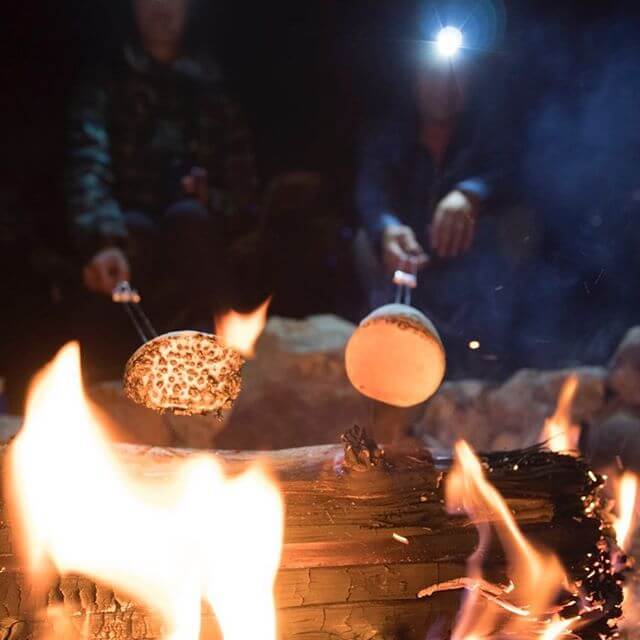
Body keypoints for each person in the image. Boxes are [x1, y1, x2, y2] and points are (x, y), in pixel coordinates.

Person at [65, 0, 259, 379]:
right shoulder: (107, 80)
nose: (162, 9)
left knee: (189, 219)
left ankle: (215, 379)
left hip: (198, 244)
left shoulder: (213, 90)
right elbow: (88, 162)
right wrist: (102, 237)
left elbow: (244, 193)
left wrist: (209, 197)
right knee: (130, 237)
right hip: (126, 234)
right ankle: (115, 390)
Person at [355, 44, 519, 379]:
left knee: (518, 227)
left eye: (455, 78)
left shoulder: (484, 134)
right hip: (404, 261)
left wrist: (471, 193)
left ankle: (484, 362)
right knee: (362, 241)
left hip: (468, 265)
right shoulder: (391, 134)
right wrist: (387, 228)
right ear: (417, 81)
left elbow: (513, 174)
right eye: (434, 76)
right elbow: (370, 190)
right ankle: (381, 355)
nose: (444, 87)